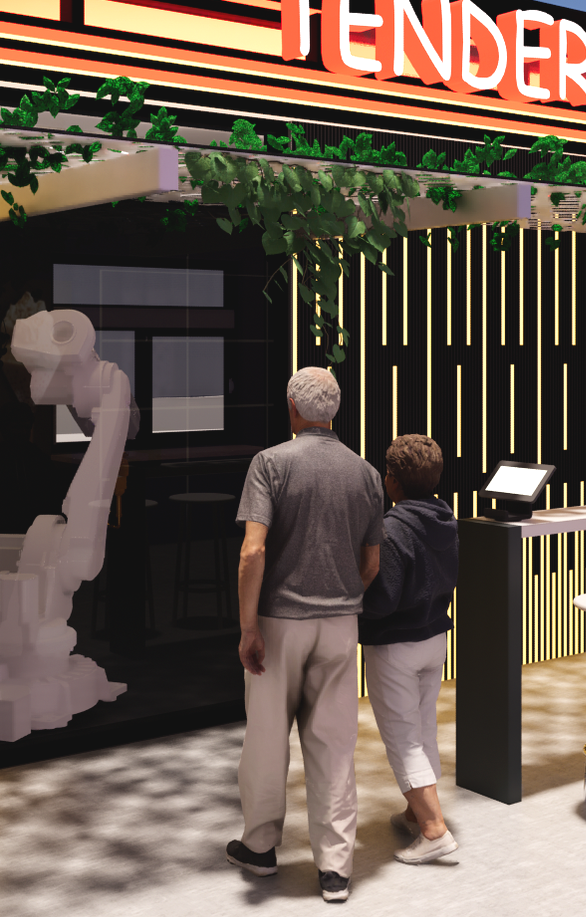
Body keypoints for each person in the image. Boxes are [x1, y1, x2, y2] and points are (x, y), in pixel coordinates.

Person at [229, 367, 386, 905]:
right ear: (333, 411)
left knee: (267, 742)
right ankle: (336, 870)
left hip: (278, 623)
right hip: (341, 623)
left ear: (294, 410)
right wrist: (342, 595)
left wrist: (250, 626)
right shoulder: (365, 473)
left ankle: (260, 847)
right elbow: (371, 561)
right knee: (335, 746)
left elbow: (253, 551)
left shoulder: (270, 463)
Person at [359, 433, 460, 866]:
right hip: (434, 640)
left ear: (393, 481)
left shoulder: (391, 530)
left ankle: (435, 830)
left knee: (403, 739)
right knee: (422, 729)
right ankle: (415, 812)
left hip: (395, 647)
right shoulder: (448, 520)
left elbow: (382, 599)